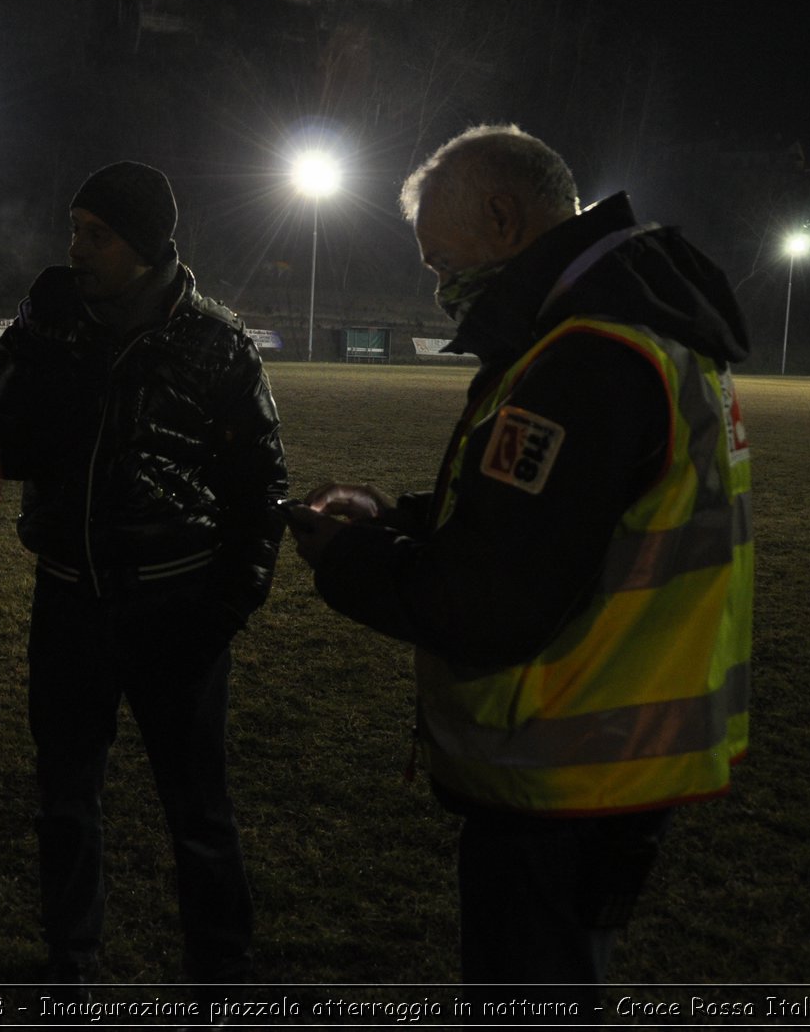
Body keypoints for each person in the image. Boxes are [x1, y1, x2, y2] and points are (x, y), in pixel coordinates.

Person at [286, 124, 753, 1019]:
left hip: (564, 767)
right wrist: (395, 515)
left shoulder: (585, 359)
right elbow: (548, 520)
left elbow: (488, 602)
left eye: (438, 261)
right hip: (623, 760)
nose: (439, 284)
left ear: (504, 216)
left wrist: (346, 559)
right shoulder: (649, 332)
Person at [0, 161, 288, 1003]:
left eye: (95, 233)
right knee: (65, 799)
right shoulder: (56, 325)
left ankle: (223, 972)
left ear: (144, 246)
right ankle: (72, 961)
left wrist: (223, 607)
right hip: (69, 598)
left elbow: (262, 491)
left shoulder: (217, 343)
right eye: (72, 229)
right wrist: (38, 358)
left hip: (176, 604)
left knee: (199, 811)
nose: (75, 248)